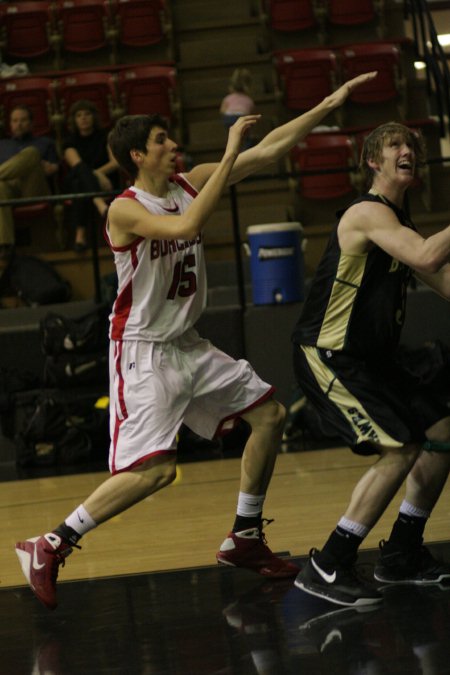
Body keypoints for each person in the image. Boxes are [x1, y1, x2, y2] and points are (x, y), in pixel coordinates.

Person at [15, 71, 376, 611]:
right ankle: (50, 543)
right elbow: (185, 230)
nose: (175, 146)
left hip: (187, 343)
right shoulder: (124, 208)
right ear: (138, 155)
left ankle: (245, 536)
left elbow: (270, 151)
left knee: (270, 415)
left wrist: (327, 102)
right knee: (157, 472)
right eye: (162, 141)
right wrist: (229, 154)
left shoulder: (188, 184)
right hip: (142, 352)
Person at [292, 121, 450, 607]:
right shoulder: (366, 214)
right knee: (400, 448)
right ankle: (328, 563)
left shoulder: (400, 228)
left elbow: (441, 276)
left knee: (442, 429)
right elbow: (426, 254)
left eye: (412, 146)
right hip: (330, 354)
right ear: (372, 162)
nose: (407, 151)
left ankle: (401, 553)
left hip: (374, 360)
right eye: (395, 146)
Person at [0, 104, 59, 257]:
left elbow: (53, 169)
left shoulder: (44, 142)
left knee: (31, 153)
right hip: (9, 190)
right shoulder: (2, 145)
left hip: (34, 188)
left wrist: (37, 164)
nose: (18, 124)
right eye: (14, 121)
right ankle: (5, 246)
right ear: (10, 124)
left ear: (31, 123)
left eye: (23, 120)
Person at [62, 99, 119, 252]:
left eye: (87, 114)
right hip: (85, 180)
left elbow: (115, 163)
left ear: (94, 117)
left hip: (104, 180)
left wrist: (97, 174)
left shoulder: (106, 136)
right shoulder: (69, 142)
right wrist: (97, 177)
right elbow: (77, 166)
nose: (83, 118)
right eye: (79, 115)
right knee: (79, 180)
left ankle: (80, 236)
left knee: (80, 185)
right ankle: (100, 205)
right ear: (74, 120)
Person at [220, 67, 255, 150]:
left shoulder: (228, 98)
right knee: (246, 138)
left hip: (228, 118)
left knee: (233, 136)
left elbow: (222, 110)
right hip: (242, 117)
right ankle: (244, 151)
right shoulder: (248, 100)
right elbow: (251, 113)